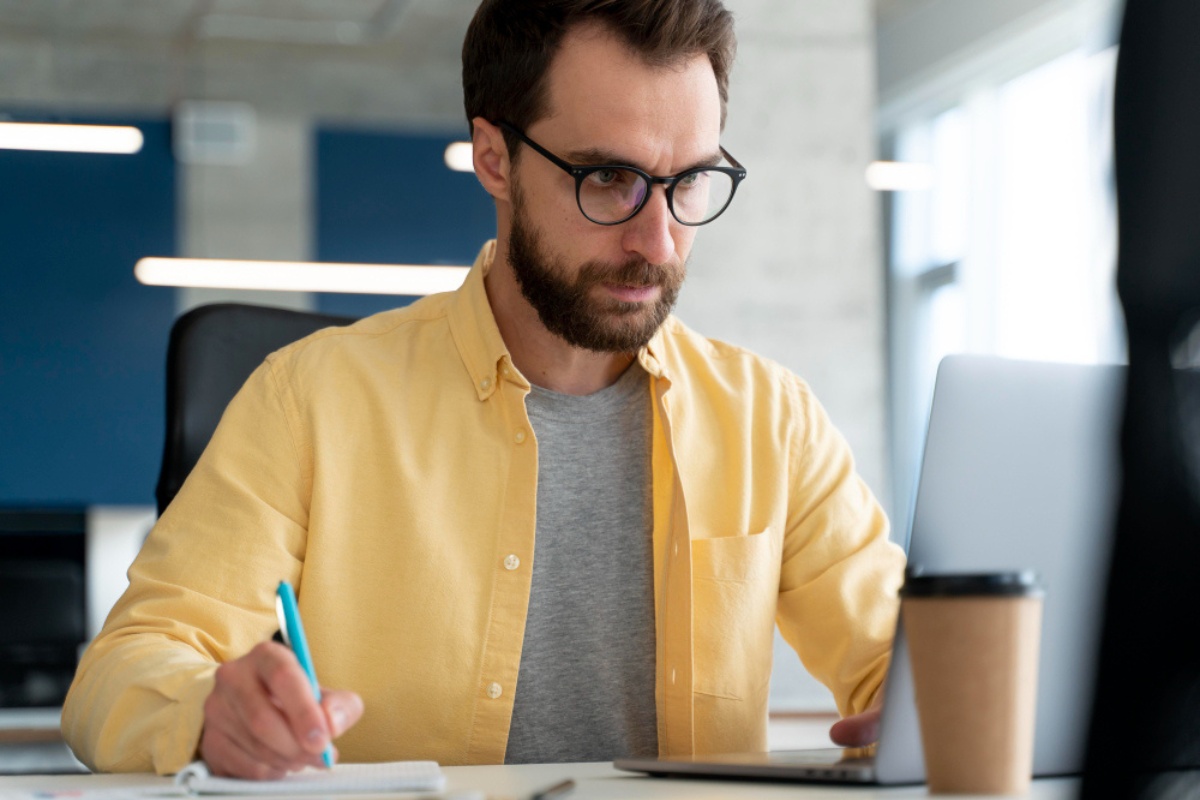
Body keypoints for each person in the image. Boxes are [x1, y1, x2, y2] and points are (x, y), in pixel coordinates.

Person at [62, 0, 905, 778]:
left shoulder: (772, 420)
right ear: (494, 158)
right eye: (607, 179)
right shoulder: (312, 400)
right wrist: (209, 714)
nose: (660, 241)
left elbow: (897, 654)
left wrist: (937, 701)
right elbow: (127, 667)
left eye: (688, 181)